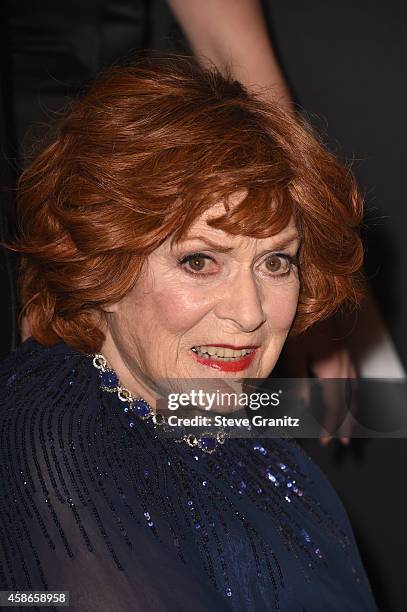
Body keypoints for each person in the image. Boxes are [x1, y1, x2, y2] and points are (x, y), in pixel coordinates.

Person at [0, 55, 377, 611]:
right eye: (200, 261)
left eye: (276, 263)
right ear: (105, 263)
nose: (250, 313)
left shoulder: (192, 400)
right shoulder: (61, 465)